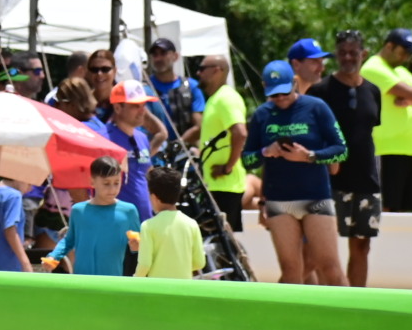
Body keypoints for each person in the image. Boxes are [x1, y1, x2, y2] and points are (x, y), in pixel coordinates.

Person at [242, 61, 348, 286]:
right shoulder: (262, 114)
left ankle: (354, 317)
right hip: (279, 201)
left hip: (316, 197)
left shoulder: (316, 107)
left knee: (329, 267)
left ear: (294, 83)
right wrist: (266, 152)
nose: (280, 98)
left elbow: (341, 150)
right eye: (274, 94)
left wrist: (309, 155)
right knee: (291, 271)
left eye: (284, 92)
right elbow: (247, 159)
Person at [309, 31, 383, 287]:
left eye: (353, 52)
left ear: (363, 54)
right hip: (331, 181)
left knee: (362, 247)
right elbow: (311, 133)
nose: (348, 57)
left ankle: (357, 304)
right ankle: (323, 302)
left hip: (366, 179)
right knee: (321, 250)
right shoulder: (321, 91)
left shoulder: (373, 92)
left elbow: (366, 133)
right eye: (342, 53)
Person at [361, 28, 412, 212]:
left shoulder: (400, 71)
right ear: (389, 46)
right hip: (384, 149)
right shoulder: (373, 67)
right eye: (403, 52)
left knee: (403, 209)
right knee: (385, 208)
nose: (405, 57)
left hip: (406, 150)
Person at [40, 156, 139, 277]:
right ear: (92, 182)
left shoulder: (128, 211)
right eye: (106, 183)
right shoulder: (79, 210)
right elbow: (69, 240)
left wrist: (137, 245)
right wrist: (54, 256)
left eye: (116, 183)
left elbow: (137, 245)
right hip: (81, 280)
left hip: (113, 280)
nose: (112, 189)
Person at [194, 54, 248, 233]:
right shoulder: (215, 99)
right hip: (218, 186)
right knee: (219, 246)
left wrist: (227, 167)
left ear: (217, 70)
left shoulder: (226, 98)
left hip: (226, 186)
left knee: (225, 246)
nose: (198, 73)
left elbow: (240, 133)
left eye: (202, 69)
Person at [89, 49, 168, 153]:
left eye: (105, 69)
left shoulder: (125, 97)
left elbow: (161, 133)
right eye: (94, 69)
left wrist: (142, 157)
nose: (99, 74)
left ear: (115, 70)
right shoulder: (84, 101)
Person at [134, 166, 206, 279]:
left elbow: (144, 264)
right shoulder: (191, 224)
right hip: (184, 289)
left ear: (153, 197)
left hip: (158, 290)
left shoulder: (148, 226)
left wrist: (136, 278)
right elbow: (199, 262)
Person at [103, 80, 157, 227]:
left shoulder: (142, 138)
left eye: (143, 105)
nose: (142, 111)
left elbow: (148, 176)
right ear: (118, 108)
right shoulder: (103, 138)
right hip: (116, 226)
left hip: (145, 224)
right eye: (135, 106)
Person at [147, 38, 204, 145]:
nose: (158, 58)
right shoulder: (145, 87)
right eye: (155, 55)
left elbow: (199, 126)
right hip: (154, 151)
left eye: (163, 53)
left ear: (175, 56)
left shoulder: (191, 86)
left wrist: (179, 144)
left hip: (184, 153)